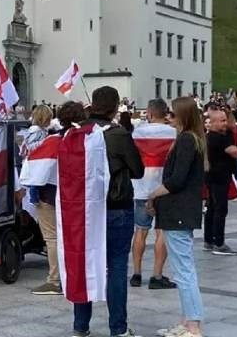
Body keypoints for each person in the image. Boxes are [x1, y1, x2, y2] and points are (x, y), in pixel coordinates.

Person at [73, 86, 144, 337]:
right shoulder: (118, 134)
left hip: (84, 209)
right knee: (116, 267)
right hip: (116, 206)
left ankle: (80, 326)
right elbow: (138, 170)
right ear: (115, 108)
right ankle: (118, 328)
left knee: (84, 265)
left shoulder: (77, 132)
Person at [147, 96, 206, 337]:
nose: (168, 117)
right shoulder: (193, 139)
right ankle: (187, 321)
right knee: (183, 268)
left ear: (182, 115)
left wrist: (153, 194)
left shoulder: (185, 140)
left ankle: (192, 325)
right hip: (181, 210)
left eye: (172, 113)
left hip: (178, 211)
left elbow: (177, 180)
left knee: (184, 270)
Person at [130, 99, 177, 289]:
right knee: (162, 233)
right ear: (165, 113)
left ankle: (136, 273)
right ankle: (157, 275)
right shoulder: (174, 134)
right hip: (163, 187)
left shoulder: (136, 133)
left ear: (149, 113)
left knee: (140, 231)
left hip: (141, 187)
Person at [20, 105, 60, 295]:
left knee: (51, 237)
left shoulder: (36, 134)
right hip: (52, 187)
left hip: (43, 187)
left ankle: (54, 279)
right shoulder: (49, 135)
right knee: (56, 236)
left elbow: (32, 160)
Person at [204, 110, 237, 255]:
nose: (225, 123)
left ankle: (209, 240)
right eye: (222, 120)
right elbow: (235, 152)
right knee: (220, 209)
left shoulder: (219, 136)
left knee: (212, 208)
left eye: (225, 120)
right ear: (212, 122)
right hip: (218, 177)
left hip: (215, 176)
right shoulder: (216, 138)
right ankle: (219, 243)